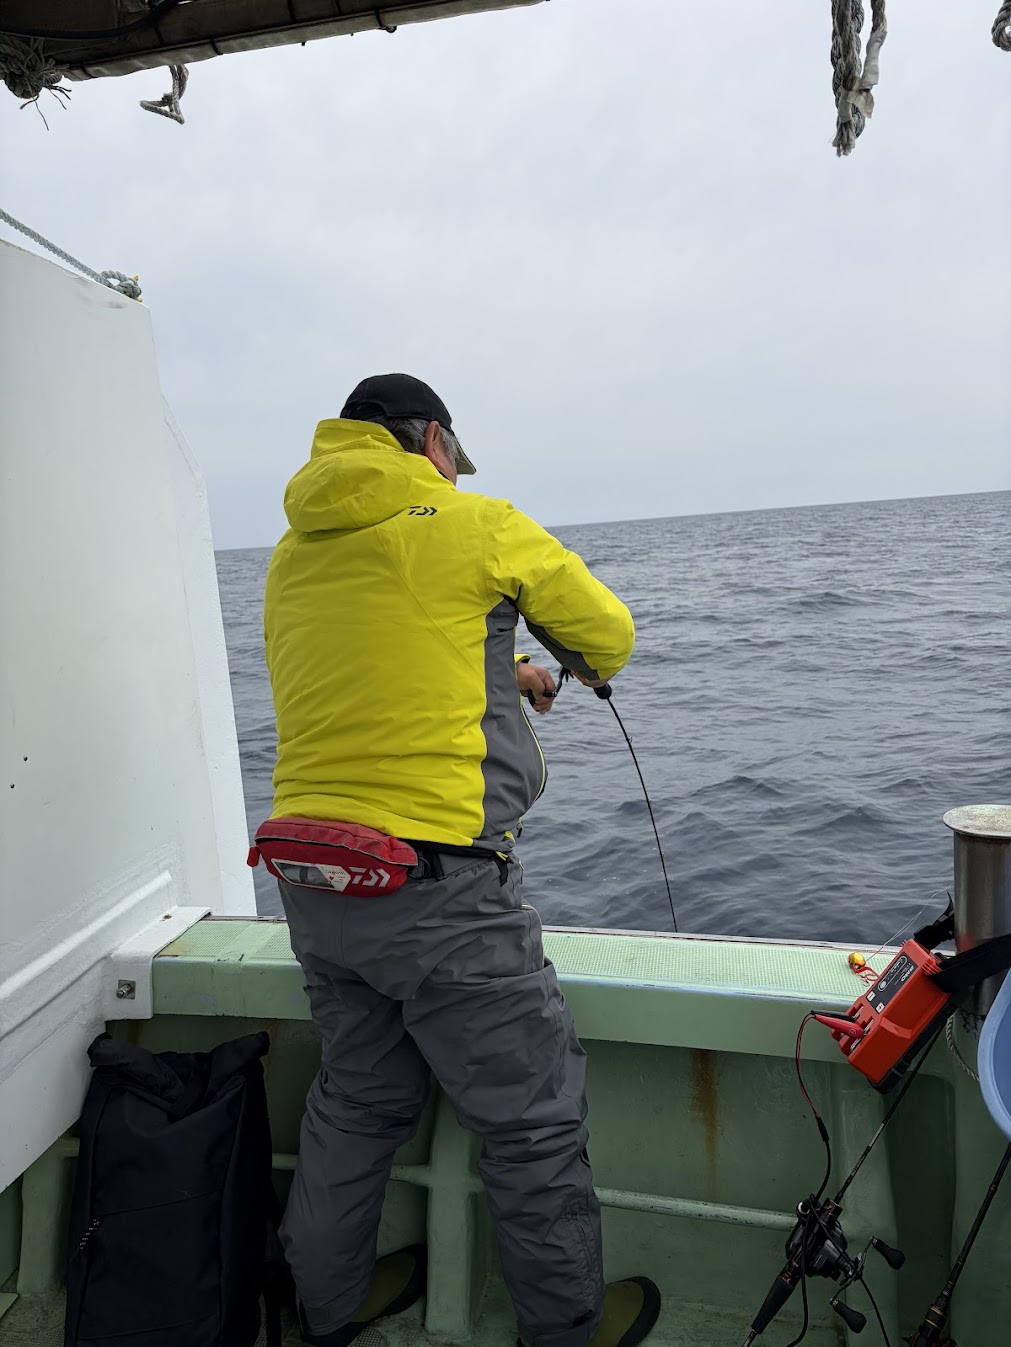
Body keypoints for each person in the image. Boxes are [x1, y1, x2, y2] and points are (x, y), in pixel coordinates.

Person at [263, 373, 660, 1347]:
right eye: (453, 454)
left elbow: (384, 671)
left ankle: (322, 1308)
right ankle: (566, 1331)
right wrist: (570, 665)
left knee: (357, 1099)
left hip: (312, 882)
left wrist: (505, 669)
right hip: (440, 894)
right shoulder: (474, 522)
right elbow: (609, 634)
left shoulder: (289, 555)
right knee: (530, 1127)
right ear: (432, 439)